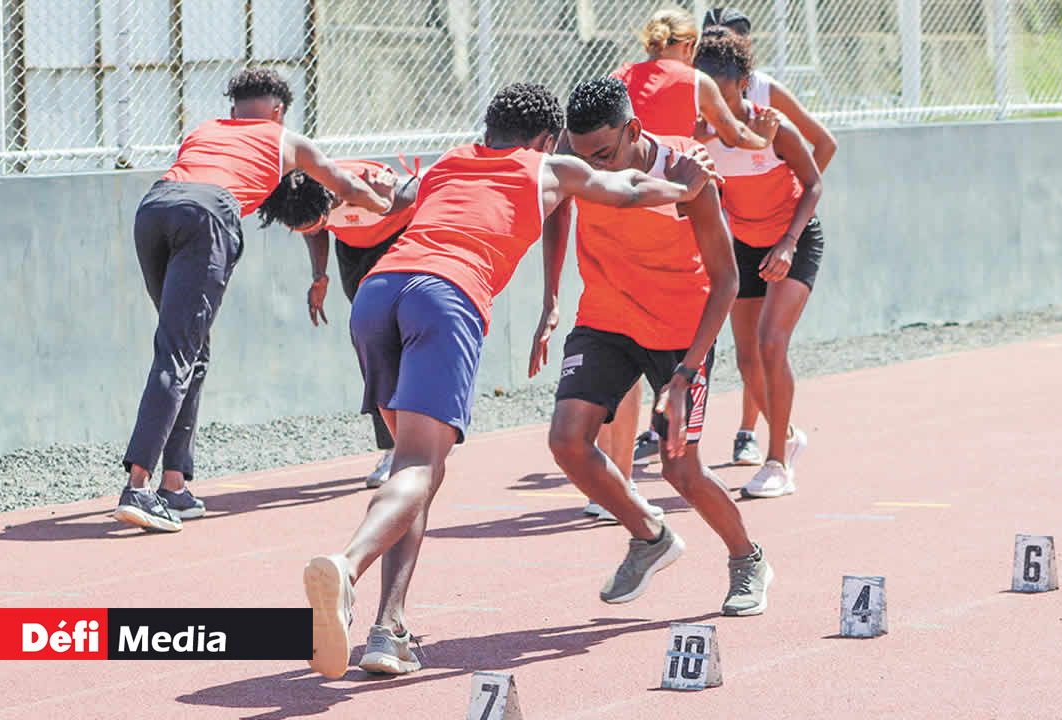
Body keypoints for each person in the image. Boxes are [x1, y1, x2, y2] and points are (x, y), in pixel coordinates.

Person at [302, 82, 720, 680]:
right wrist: (684, 183)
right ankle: (347, 566)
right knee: (419, 468)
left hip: (375, 294)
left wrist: (326, 192)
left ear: (487, 130)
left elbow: (388, 199)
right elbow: (626, 188)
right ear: (550, 140)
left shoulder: (449, 161)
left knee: (413, 469)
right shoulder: (548, 167)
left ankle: (387, 630)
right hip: (443, 298)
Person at [114, 68, 394, 533]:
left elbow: (195, 177)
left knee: (190, 349)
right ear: (280, 110)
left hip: (154, 209)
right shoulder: (288, 140)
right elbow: (344, 187)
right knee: (180, 351)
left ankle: (174, 486)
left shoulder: (205, 130)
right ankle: (138, 487)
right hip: (208, 213)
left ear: (233, 109)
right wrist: (384, 204)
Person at [540, 77, 773, 616]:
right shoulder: (573, 157)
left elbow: (726, 281)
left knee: (679, 468)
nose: (593, 169)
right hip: (606, 316)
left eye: (603, 155)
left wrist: (689, 369)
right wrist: (551, 298)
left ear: (635, 130)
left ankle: (748, 558)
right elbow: (557, 209)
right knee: (567, 442)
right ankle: (650, 535)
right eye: (583, 156)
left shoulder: (689, 174)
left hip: (678, 331)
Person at [610, 7, 781, 469]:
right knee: (697, 326)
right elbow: (735, 133)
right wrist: (762, 137)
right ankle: (683, 443)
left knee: (621, 336)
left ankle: (617, 470)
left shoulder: (618, 76)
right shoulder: (694, 82)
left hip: (623, 215)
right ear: (688, 48)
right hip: (681, 216)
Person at [703, 7, 838, 466]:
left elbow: (817, 174)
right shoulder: (699, 132)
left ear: (743, 83)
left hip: (791, 240)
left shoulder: (772, 121)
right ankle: (787, 432)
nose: (712, 109)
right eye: (705, 97)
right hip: (743, 243)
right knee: (746, 361)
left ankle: (777, 462)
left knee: (771, 344)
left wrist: (788, 238)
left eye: (720, 96)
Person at [261, 160, 425, 488]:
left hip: (401, 242)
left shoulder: (369, 184)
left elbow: (425, 190)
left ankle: (425, 432)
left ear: (331, 201)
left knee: (406, 337)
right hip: (353, 253)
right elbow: (316, 229)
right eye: (301, 230)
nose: (309, 231)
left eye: (314, 222)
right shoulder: (304, 194)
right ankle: (394, 448)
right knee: (373, 347)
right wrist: (319, 275)